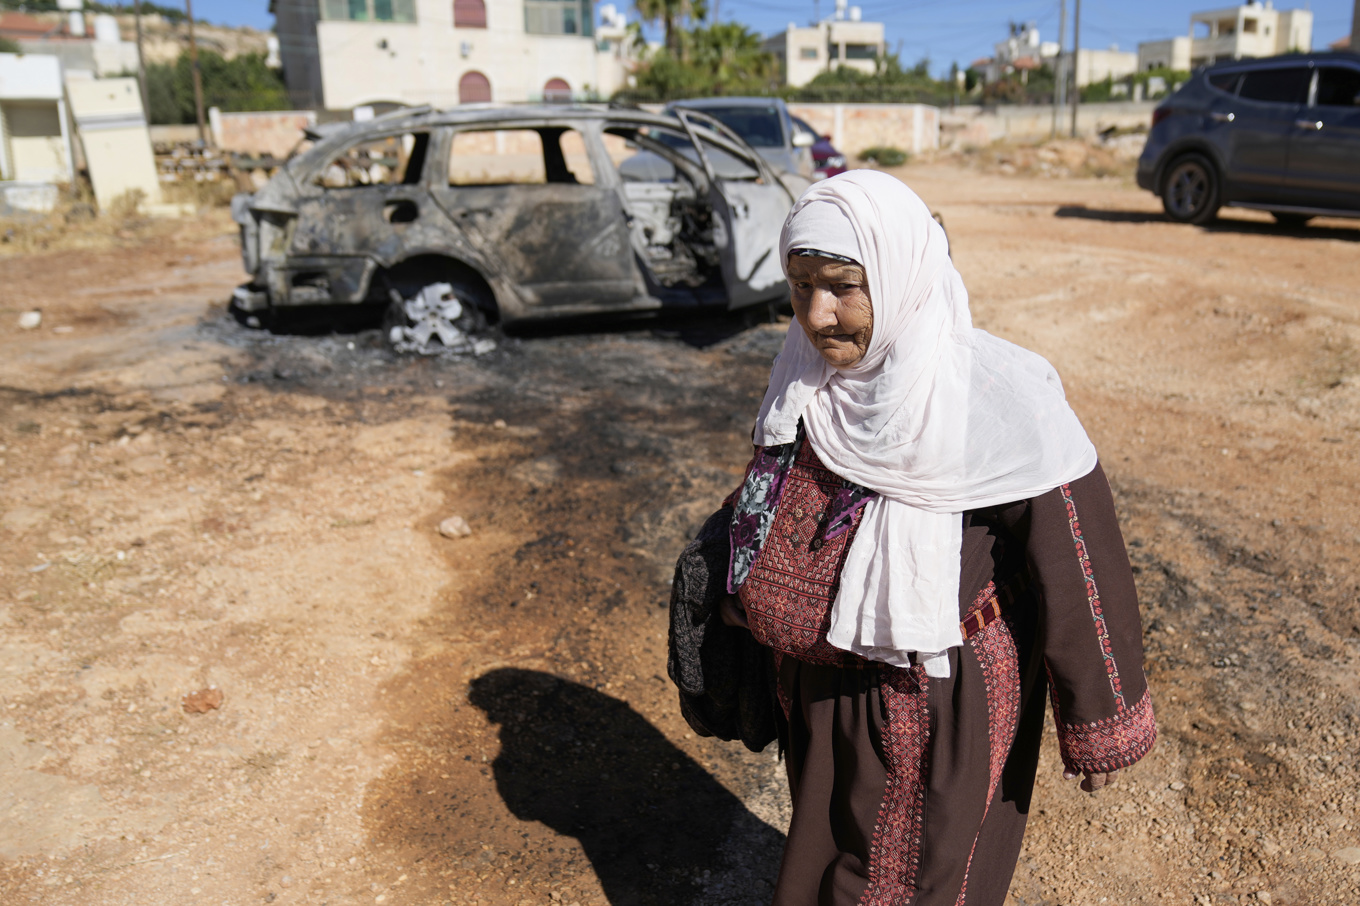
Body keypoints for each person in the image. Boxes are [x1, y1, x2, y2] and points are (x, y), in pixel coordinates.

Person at [717, 170, 1155, 906]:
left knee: (923, 881)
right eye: (799, 287)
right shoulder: (802, 376)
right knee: (820, 852)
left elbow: (1075, 555)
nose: (818, 315)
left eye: (843, 286)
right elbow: (767, 501)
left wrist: (1100, 715)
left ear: (900, 272)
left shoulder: (998, 395)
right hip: (821, 693)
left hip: (939, 704)